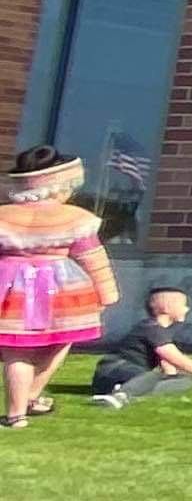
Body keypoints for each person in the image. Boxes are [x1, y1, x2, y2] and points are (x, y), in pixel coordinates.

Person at [0, 145, 119, 430]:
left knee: (16, 349)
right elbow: (92, 257)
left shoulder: (3, 215)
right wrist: (107, 292)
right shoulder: (75, 218)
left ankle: (17, 413)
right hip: (60, 286)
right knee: (60, 340)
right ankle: (30, 396)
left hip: (8, 283)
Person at [86, 285, 192, 405]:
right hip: (115, 370)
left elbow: (167, 364)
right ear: (166, 308)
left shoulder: (161, 331)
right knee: (154, 375)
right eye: (183, 305)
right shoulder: (151, 328)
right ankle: (120, 396)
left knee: (186, 380)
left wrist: (172, 376)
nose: (187, 309)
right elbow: (172, 356)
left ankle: (135, 391)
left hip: (134, 376)